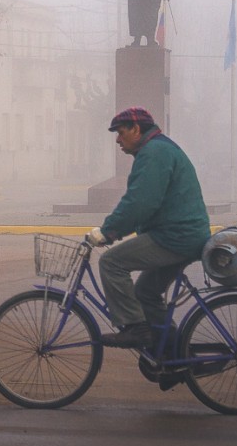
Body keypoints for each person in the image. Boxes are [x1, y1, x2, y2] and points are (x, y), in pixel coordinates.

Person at [86, 107, 210, 350]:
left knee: (111, 262)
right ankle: (172, 352)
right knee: (145, 292)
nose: (117, 140)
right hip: (183, 236)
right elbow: (142, 201)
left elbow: (140, 202)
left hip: (175, 237)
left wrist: (108, 231)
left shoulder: (154, 153)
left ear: (136, 129)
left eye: (121, 133)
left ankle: (136, 328)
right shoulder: (158, 149)